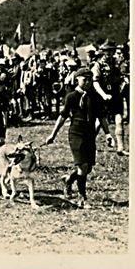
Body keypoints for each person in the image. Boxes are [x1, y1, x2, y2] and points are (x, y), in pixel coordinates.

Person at [45, 68, 113, 208]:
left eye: (90, 80)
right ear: (77, 79)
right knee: (82, 167)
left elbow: (102, 117)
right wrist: (53, 134)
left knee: (87, 168)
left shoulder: (95, 97)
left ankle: (69, 180)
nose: (87, 82)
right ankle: (82, 198)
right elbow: (62, 117)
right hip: (76, 134)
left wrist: (107, 134)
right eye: (84, 79)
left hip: (90, 135)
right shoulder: (71, 97)